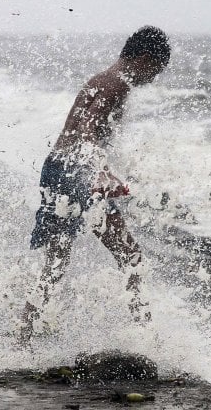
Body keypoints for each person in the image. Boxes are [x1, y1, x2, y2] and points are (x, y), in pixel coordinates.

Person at [19, 26, 171, 343]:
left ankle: (25, 332)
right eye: (155, 71)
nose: (153, 79)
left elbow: (85, 128)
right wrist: (99, 171)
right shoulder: (116, 84)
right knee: (131, 257)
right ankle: (148, 338)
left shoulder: (103, 79)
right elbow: (88, 128)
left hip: (58, 166)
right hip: (79, 170)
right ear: (144, 60)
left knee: (56, 260)